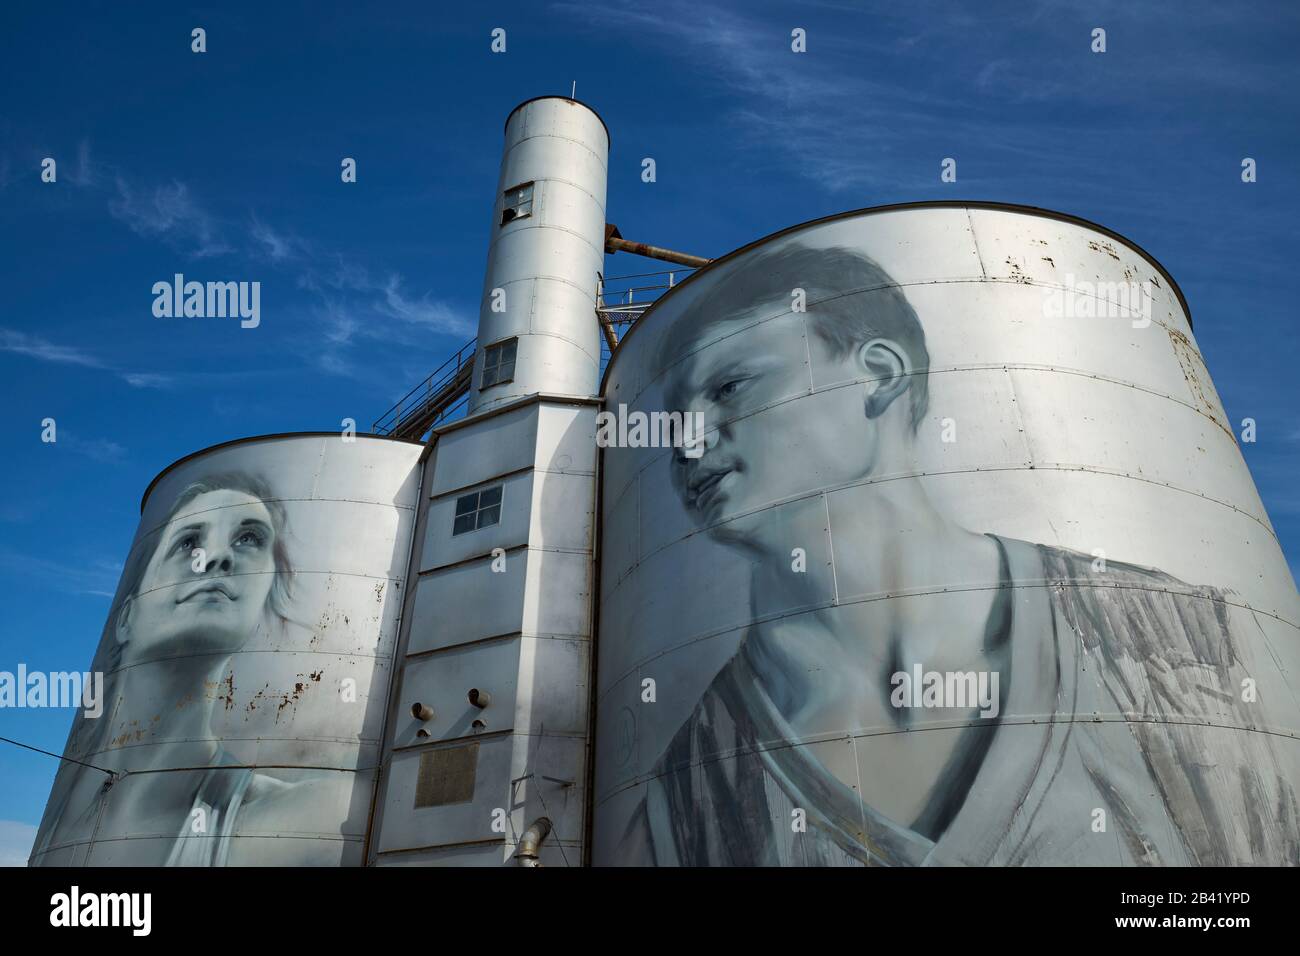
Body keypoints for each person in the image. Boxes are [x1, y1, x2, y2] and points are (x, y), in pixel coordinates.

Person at [617, 240, 1299, 866]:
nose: (687, 439)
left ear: (879, 374)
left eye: (731, 388)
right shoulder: (687, 803)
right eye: (674, 416)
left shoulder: (1181, 645)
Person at [30, 472, 328, 866]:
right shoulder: (56, 823)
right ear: (126, 616)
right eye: (189, 541)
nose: (219, 557)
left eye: (249, 539)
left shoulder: (298, 819)